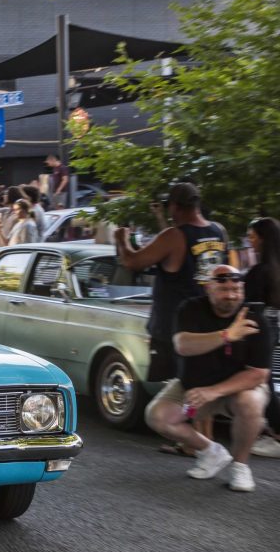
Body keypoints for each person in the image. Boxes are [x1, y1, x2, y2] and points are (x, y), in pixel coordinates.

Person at [144, 265, 273, 492]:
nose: (231, 295)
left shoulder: (255, 320)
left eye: (236, 288)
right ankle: (211, 452)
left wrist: (214, 391)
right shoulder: (190, 309)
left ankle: (240, 466)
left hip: (236, 391)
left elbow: (259, 374)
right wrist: (227, 336)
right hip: (194, 389)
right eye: (223, 288)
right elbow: (182, 345)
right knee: (158, 416)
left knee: (250, 402)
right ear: (209, 288)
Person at [115, 182, 228, 385]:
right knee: (202, 387)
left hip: (174, 330)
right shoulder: (218, 231)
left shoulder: (174, 236)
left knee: (173, 392)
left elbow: (133, 262)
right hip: (208, 324)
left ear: (175, 206)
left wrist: (121, 240)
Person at [244, 217, 280, 458]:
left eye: (253, 236)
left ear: (263, 239)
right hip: (275, 326)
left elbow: (248, 305)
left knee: (261, 379)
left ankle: (276, 433)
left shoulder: (260, 272)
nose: (250, 240)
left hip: (261, 328)